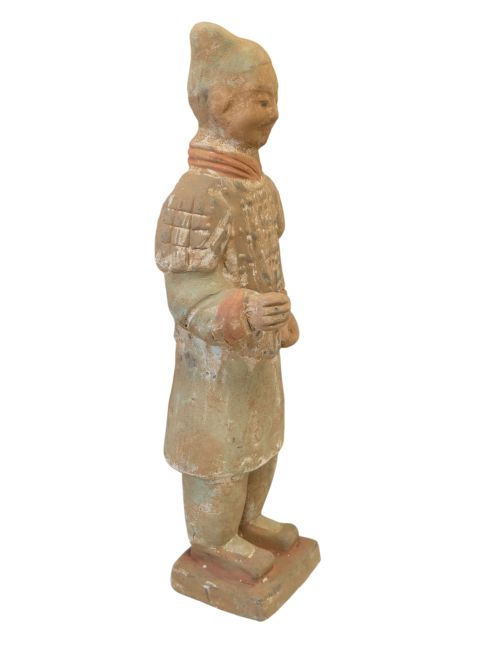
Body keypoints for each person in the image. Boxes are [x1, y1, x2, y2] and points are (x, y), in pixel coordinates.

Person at [155, 22, 300, 579]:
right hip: (214, 366)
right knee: (218, 449)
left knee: (261, 438)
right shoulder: (196, 194)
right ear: (220, 103)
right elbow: (185, 293)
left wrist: (282, 315)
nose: (274, 113)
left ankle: (248, 520)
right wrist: (243, 311)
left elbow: (268, 264)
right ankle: (213, 540)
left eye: (274, 99)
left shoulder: (261, 187)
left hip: (258, 355)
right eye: (261, 100)